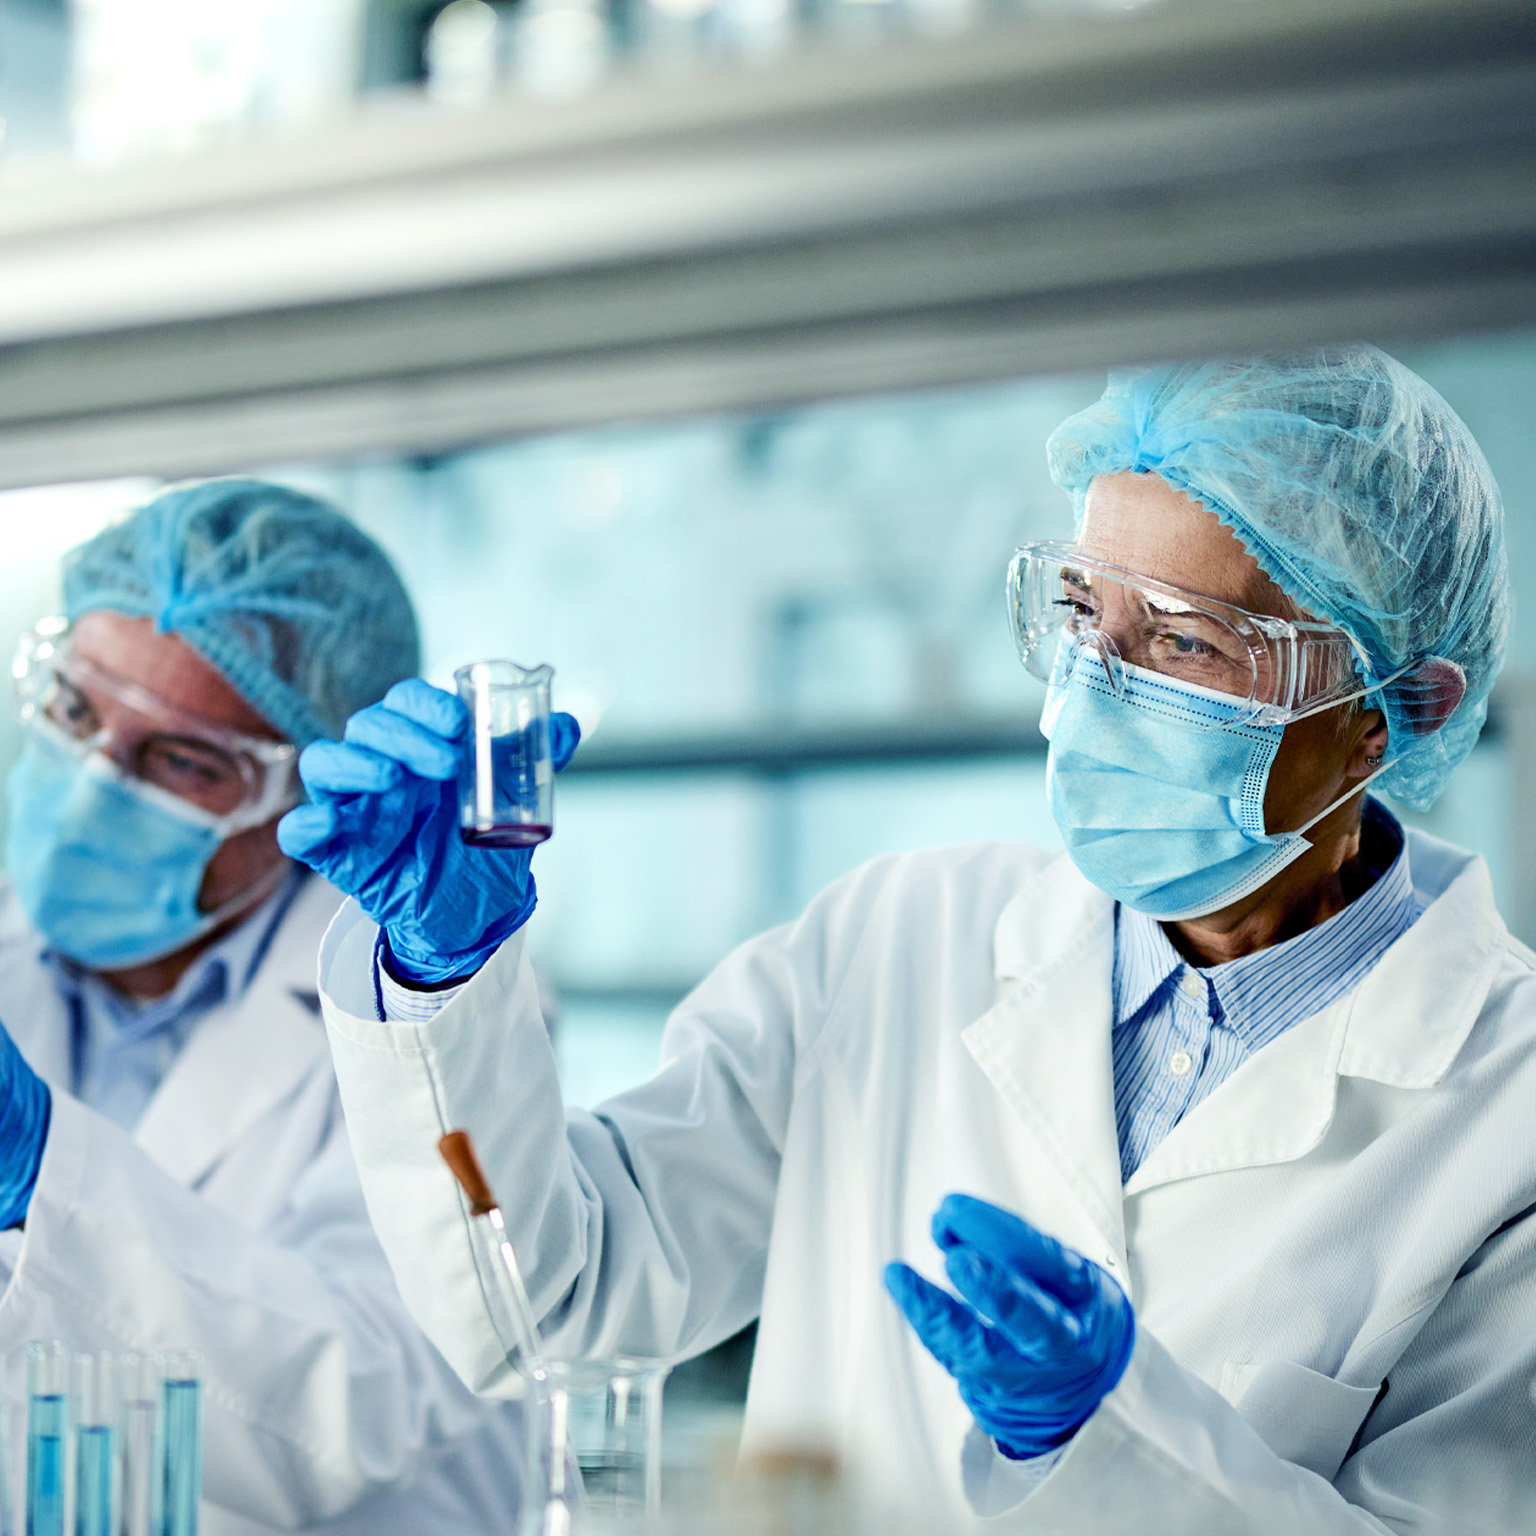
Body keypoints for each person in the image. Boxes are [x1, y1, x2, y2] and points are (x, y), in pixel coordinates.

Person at [287, 348, 1535, 1533]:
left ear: (1394, 712)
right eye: (1085, 610)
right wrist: (440, 973)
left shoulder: (1507, 1113)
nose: (1094, 681)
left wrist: (1103, 1442)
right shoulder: (894, 939)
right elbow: (548, 1307)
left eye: (1186, 641)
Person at [0, 479, 528, 1534]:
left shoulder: (423, 1008)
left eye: (182, 759)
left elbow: (368, 1401)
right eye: (74, 709)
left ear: (301, 789)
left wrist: (39, 1173)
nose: (92, 781)